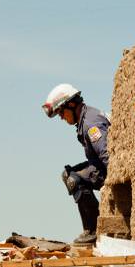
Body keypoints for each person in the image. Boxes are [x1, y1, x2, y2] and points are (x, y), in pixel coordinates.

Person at [42, 83, 110, 244]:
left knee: (75, 180)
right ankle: (90, 228)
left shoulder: (90, 124)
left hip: (107, 169)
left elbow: (107, 155)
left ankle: (93, 230)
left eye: (61, 112)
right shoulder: (85, 119)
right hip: (98, 165)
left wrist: (117, 187)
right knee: (68, 174)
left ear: (71, 105)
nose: (61, 117)